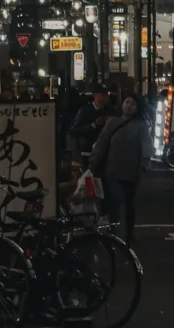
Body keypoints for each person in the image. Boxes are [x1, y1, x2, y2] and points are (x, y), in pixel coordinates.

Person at [89, 93, 151, 248]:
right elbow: (101, 144)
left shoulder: (142, 126)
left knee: (130, 204)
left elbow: (146, 148)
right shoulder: (112, 123)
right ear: (122, 105)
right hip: (112, 169)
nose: (129, 106)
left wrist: (144, 166)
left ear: (138, 108)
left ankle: (129, 234)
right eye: (127, 102)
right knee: (114, 201)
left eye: (133, 104)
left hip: (133, 171)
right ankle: (113, 232)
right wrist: (92, 164)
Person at [68, 84, 112, 166]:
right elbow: (75, 129)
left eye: (107, 93)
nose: (105, 96)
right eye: (102, 93)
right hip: (88, 152)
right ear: (94, 94)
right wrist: (94, 125)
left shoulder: (111, 110)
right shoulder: (85, 110)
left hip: (106, 151)